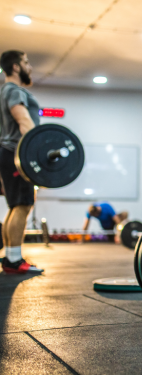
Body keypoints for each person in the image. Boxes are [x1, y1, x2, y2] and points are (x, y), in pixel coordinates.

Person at [0, 50, 43, 274]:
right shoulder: (13, 90)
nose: (30, 67)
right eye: (26, 62)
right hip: (18, 154)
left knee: (14, 206)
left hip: (8, 153)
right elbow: (23, 120)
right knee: (23, 205)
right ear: (15, 67)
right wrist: (34, 155)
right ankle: (14, 261)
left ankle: (10, 257)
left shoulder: (3, 91)